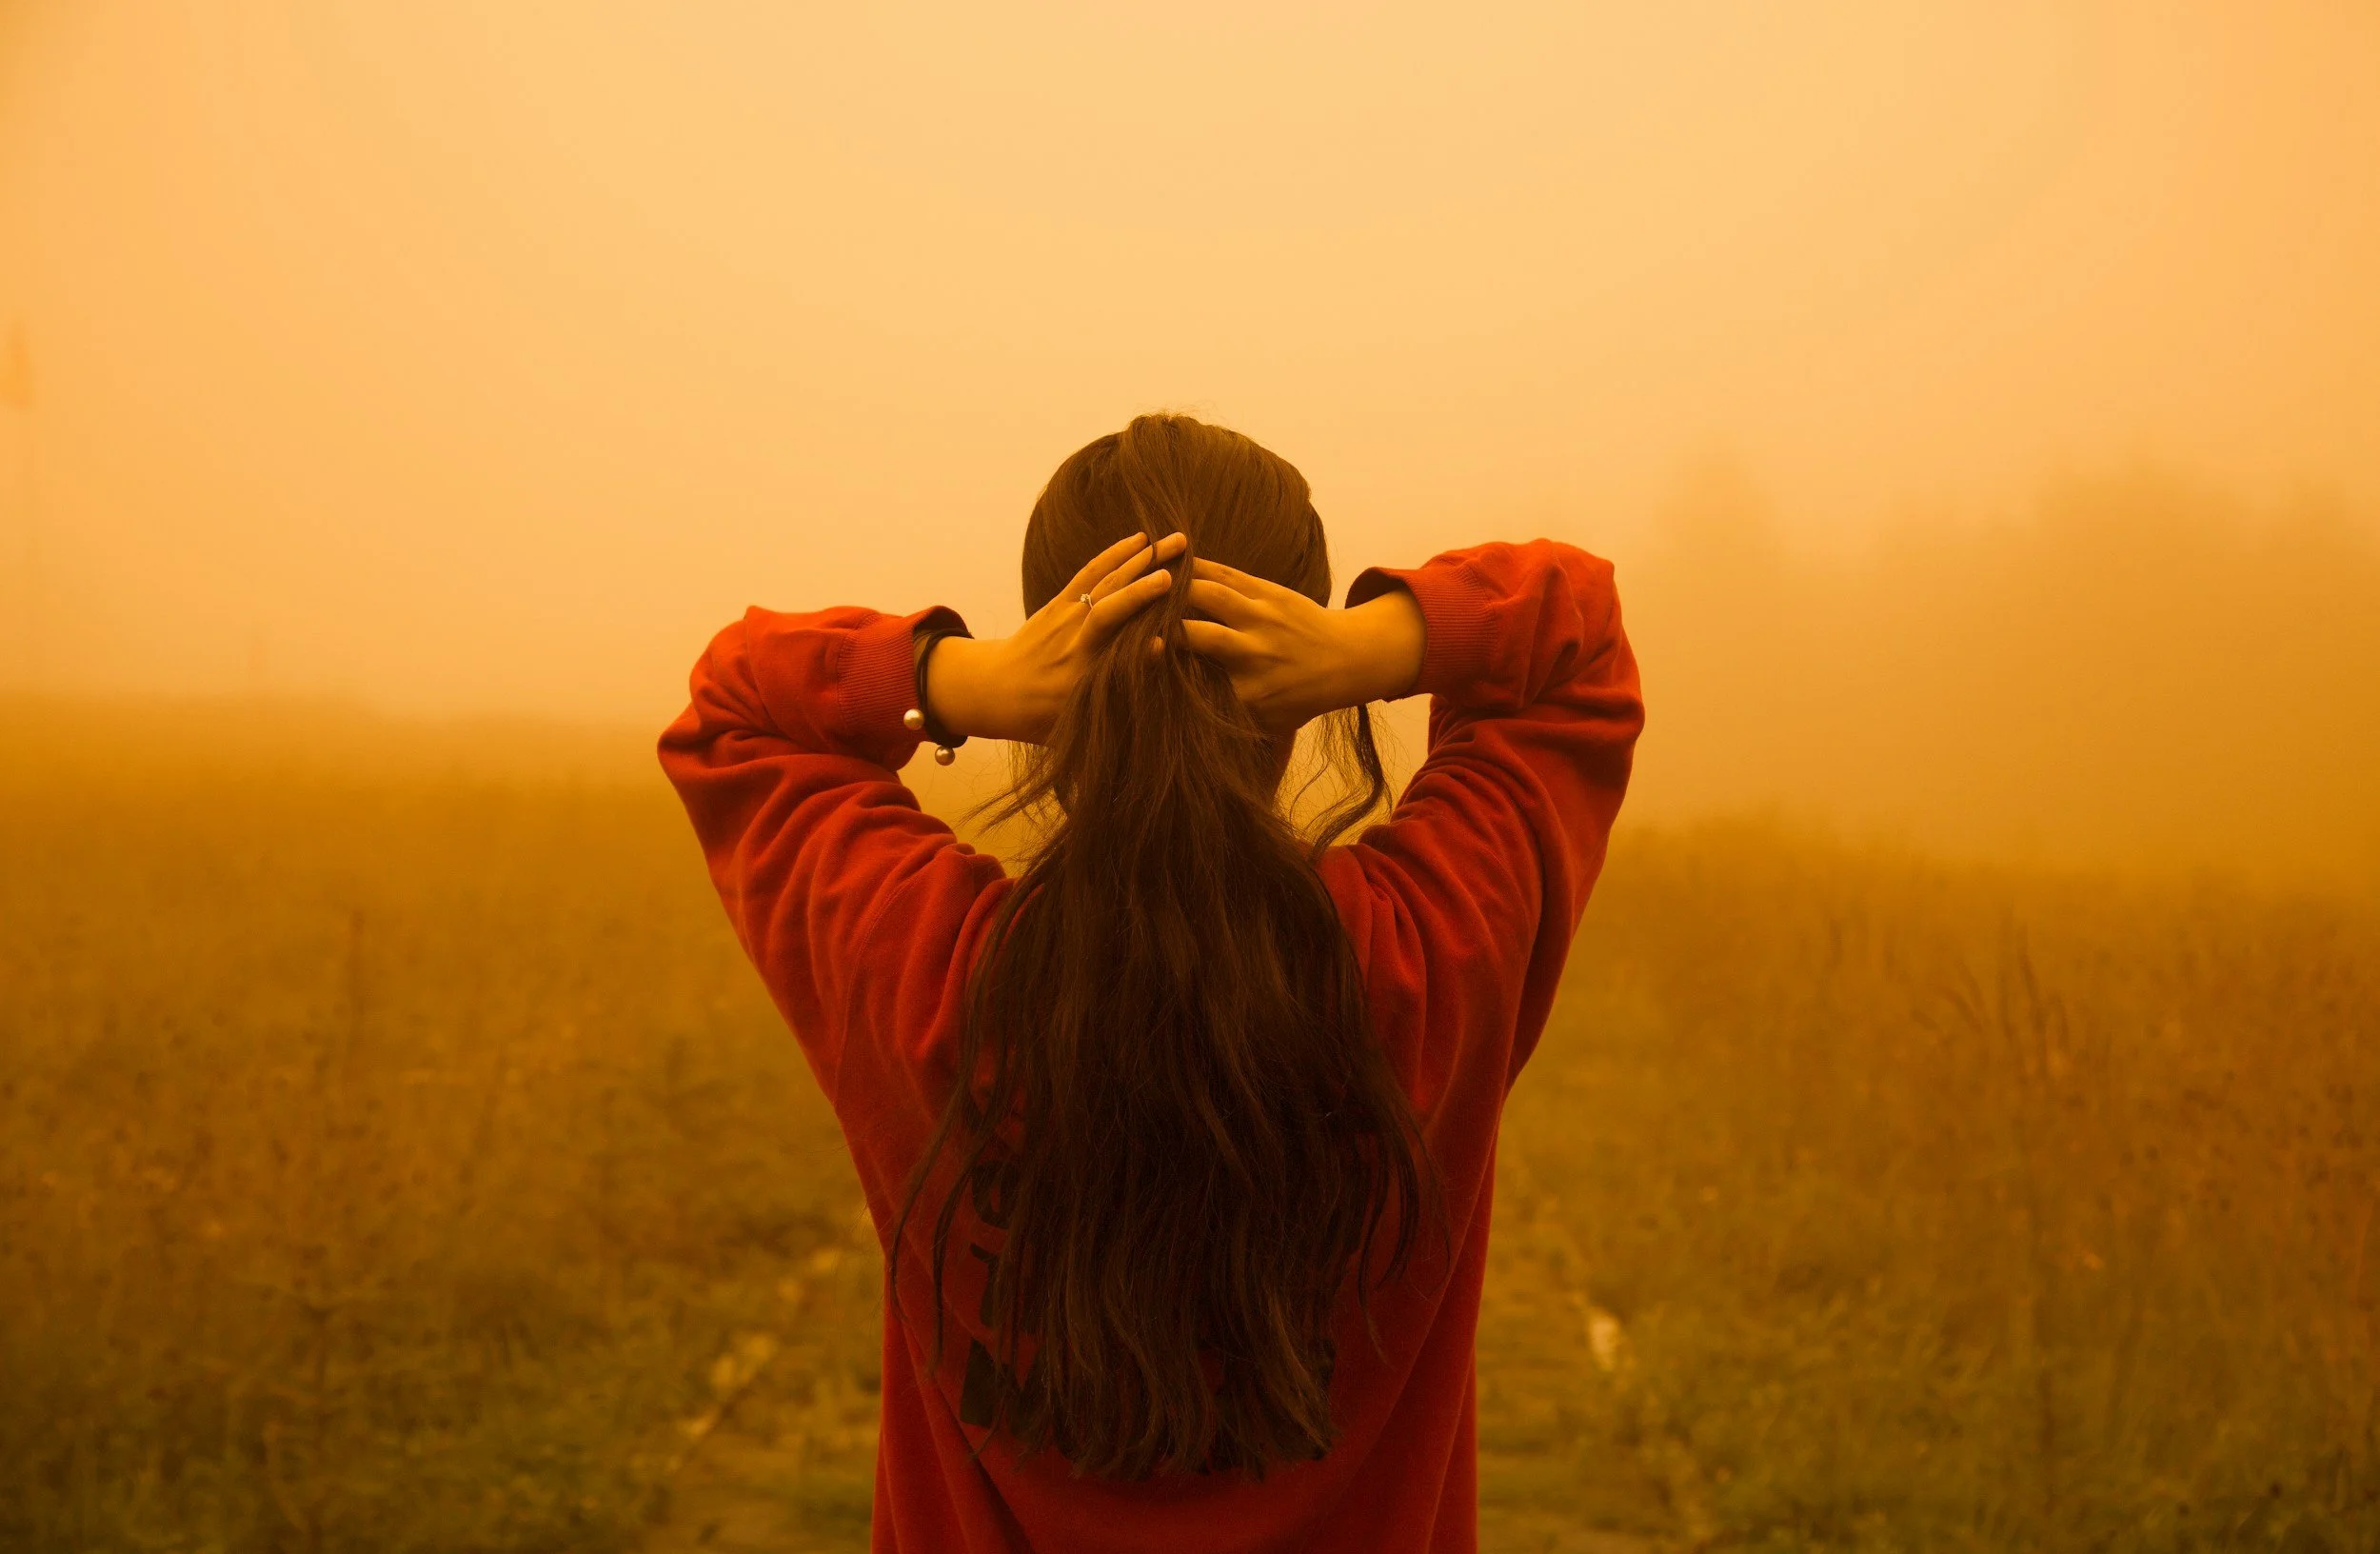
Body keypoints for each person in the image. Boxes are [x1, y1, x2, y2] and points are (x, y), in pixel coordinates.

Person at [659, 413, 1643, 1552]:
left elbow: (735, 708)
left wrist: (958, 683)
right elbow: (1575, 634)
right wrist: (1375, 651)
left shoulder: (918, 969)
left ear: (1055, 676)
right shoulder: (1428, 956)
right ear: (1297, 679)